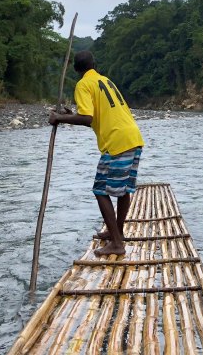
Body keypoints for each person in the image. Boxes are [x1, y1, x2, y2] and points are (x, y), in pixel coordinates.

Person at [48, 50, 144, 257]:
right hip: (133, 137)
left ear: (76, 70)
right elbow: (93, 115)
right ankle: (116, 232)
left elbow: (87, 118)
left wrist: (59, 118)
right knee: (124, 189)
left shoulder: (83, 84)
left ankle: (117, 244)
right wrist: (71, 116)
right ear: (95, 65)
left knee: (101, 190)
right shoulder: (105, 80)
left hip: (116, 141)